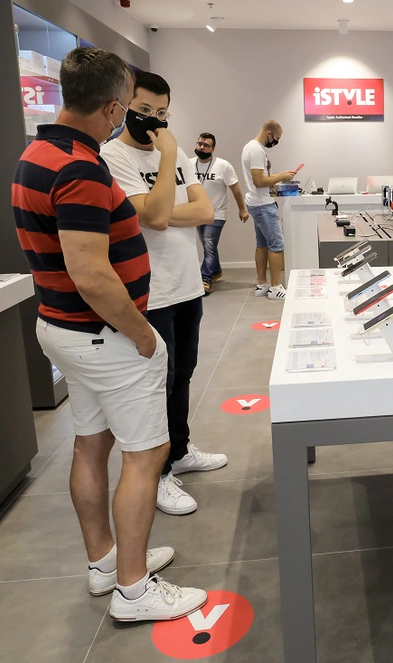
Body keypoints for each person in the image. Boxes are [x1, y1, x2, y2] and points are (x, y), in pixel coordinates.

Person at [11, 46, 206, 621]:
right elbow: (91, 272)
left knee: (91, 444)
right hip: (102, 334)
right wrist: (141, 333)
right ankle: (135, 589)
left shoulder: (38, 152)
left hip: (64, 328)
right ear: (115, 106)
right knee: (148, 455)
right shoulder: (79, 167)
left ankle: (105, 564)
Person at [101, 71, 229, 517]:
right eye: (144, 111)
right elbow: (154, 218)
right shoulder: (112, 156)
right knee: (158, 381)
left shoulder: (178, 159)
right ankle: (157, 473)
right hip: (147, 292)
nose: (153, 120)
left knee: (184, 373)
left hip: (186, 283)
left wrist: (163, 209)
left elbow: (205, 210)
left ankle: (179, 450)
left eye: (161, 113)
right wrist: (170, 155)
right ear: (124, 107)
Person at [241, 120, 296, 300]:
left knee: (262, 244)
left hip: (256, 202)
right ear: (269, 134)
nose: (276, 142)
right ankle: (274, 287)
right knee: (277, 245)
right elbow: (259, 181)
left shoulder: (248, 147)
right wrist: (282, 176)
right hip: (263, 204)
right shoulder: (257, 150)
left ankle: (262, 284)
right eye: (276, 138)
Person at [191, 132, 249, 294]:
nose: (201, 147)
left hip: (217, 213)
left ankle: (205, 279)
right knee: (208, 245)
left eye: (206, 145)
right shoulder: (188, 164)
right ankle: (216, 270)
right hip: (197, 213)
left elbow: (235, 188)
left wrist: (242, 209)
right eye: (199, 144)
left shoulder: (223, 166)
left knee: (209, 243)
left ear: (213, 148)